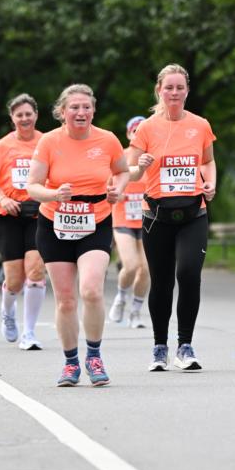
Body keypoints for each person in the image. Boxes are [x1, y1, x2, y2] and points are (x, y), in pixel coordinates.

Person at [26, 84, 129, 386]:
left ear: (93, 110)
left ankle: (94, 356)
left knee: (92, 290)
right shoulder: (48, 142)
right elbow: (32, 185)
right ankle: (71, 363)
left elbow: (123, 172)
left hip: (95, 222)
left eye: (86, 107)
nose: (80, 112)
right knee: (66, 300)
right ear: (62, 112)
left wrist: (117, 190)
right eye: (74, 107)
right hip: (55, 224)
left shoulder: (107, 140)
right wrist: (54, 194)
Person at [127, 64, 217, 372]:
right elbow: (130, 171)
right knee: (162, 282)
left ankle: (186, 346)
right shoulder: (147, 128)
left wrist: (210, 182)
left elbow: (208, 162)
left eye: (180, 87)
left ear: (187, 91)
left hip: (194, 213)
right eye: (169, 88)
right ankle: (159, 347)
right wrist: (141, 164)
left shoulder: (200, 125)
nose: (174, 93)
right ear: (159, 91)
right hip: (157, 216)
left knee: (189, 274)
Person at [0, 94, 46, 351]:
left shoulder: (47, 142)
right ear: (12, 118)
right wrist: (2, 198)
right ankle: (8, 311)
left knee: (36, 270)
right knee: (15, 280)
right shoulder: (1, 146)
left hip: (39, 214)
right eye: (19, 115)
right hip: (9, 214)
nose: (25, 119)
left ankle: (29, 332)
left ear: (36, 115)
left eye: (29, 114)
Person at [108, 115, 150, 329]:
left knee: (146, 269)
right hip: (123, 218)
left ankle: (135, 312)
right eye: (135, 131)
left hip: (147, 221)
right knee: (131, 266)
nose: (138, 135)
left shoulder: (153, 159)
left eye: (143, 131)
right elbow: (104, 184)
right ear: (128, 134)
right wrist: (116, 193)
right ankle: (121, 298)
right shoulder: (120, 158)